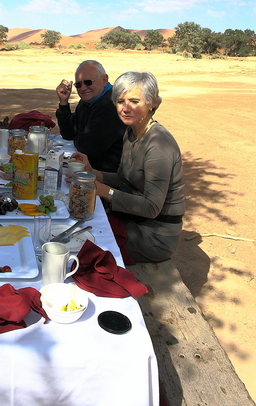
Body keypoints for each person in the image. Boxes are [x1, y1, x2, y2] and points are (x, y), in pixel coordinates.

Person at [72, 71, 185, 263]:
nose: (125, 108)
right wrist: (94, 174)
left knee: (78, 249)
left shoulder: (158, 144)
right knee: (75, 227)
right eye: (120, 101)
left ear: (152, 104)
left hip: (153, 235)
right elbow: (123, 179)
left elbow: (151, 207)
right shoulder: (132, 132)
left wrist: (103, 190)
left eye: (134, 101)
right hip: (131, 220)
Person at [55, 59, 125, 171]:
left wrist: (79, 136)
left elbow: (87, 147)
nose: (83, 88)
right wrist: (64, 103)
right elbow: (68, 133)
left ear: (104, 80)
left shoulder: (109, 105)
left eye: (88, 82)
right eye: (78, 84)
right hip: (92, 168)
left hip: (109, 175)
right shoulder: (88, 101)